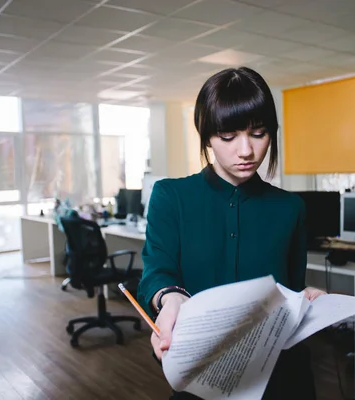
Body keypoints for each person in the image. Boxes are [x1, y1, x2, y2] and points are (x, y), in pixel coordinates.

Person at [137, 66, 325, 399]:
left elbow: (289, 290)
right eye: (229, 136)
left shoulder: (291, 208)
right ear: (207, 135)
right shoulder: (170, 197)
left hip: (279, 378)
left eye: (258, 133)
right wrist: (171, 297)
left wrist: (305, 300)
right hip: (202, 377)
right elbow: (156, 272)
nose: (246, 151)